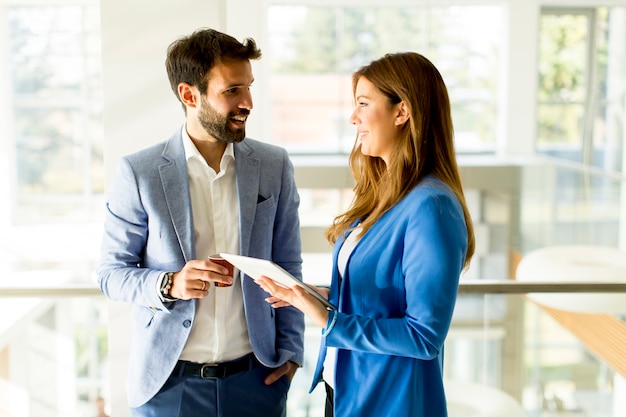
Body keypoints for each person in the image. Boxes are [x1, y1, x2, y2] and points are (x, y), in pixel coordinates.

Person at [96, 28, 304, 417]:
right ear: (189, 95)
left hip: (257, 381)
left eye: (249, 87)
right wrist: (170, 283)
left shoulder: (274, 166)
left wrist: (291, 353)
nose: (248, 102)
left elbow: (288, 265)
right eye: (232, 91)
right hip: (168, 386)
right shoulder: (139, 173)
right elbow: (110, 274)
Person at [255, 52, 475, 417]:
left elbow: (423, 337)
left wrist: (329, 320)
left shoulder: (431, 207)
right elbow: (378, 302)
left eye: (363, 104)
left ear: (401, 112)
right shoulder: (385, 196)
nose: (353, 117)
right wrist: (311, 297)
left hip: (389, 401)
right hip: (344, 390)